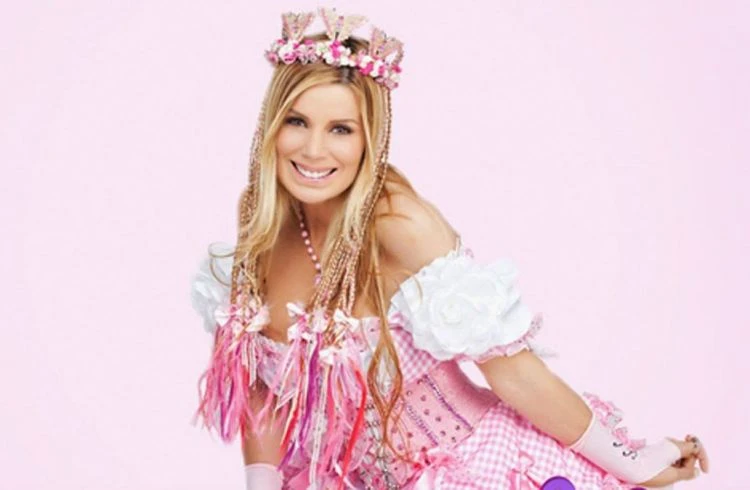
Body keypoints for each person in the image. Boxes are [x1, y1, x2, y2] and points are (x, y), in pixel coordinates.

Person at [190, 8, 710, 490]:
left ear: (370, 140)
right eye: (297, 121)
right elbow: (262, 389)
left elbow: (514, 372)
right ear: (271, 124)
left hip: (476, 469)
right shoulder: (261, 220)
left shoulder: (398, 224)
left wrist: (633, 462)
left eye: (341, 129)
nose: (313, 150)